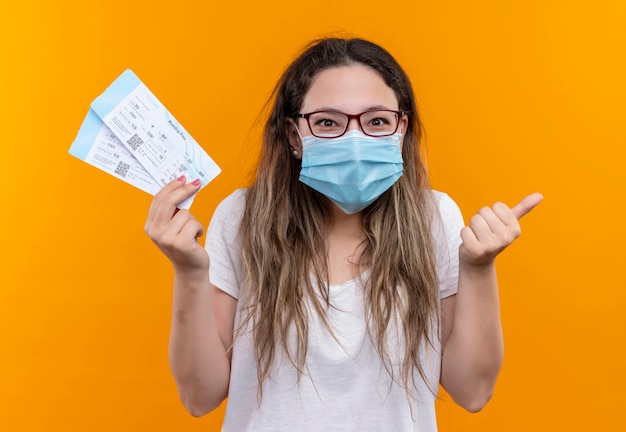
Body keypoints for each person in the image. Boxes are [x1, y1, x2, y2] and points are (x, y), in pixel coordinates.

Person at [144, 37, 542, 431]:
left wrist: (478, 267)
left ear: (400, 130)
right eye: (329, 122)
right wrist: (189, 272)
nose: (355, 140)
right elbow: (200, 397)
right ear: (295, 135)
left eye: (377, 121)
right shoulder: (241, 217)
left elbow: (472, 392)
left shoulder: (434, 218)